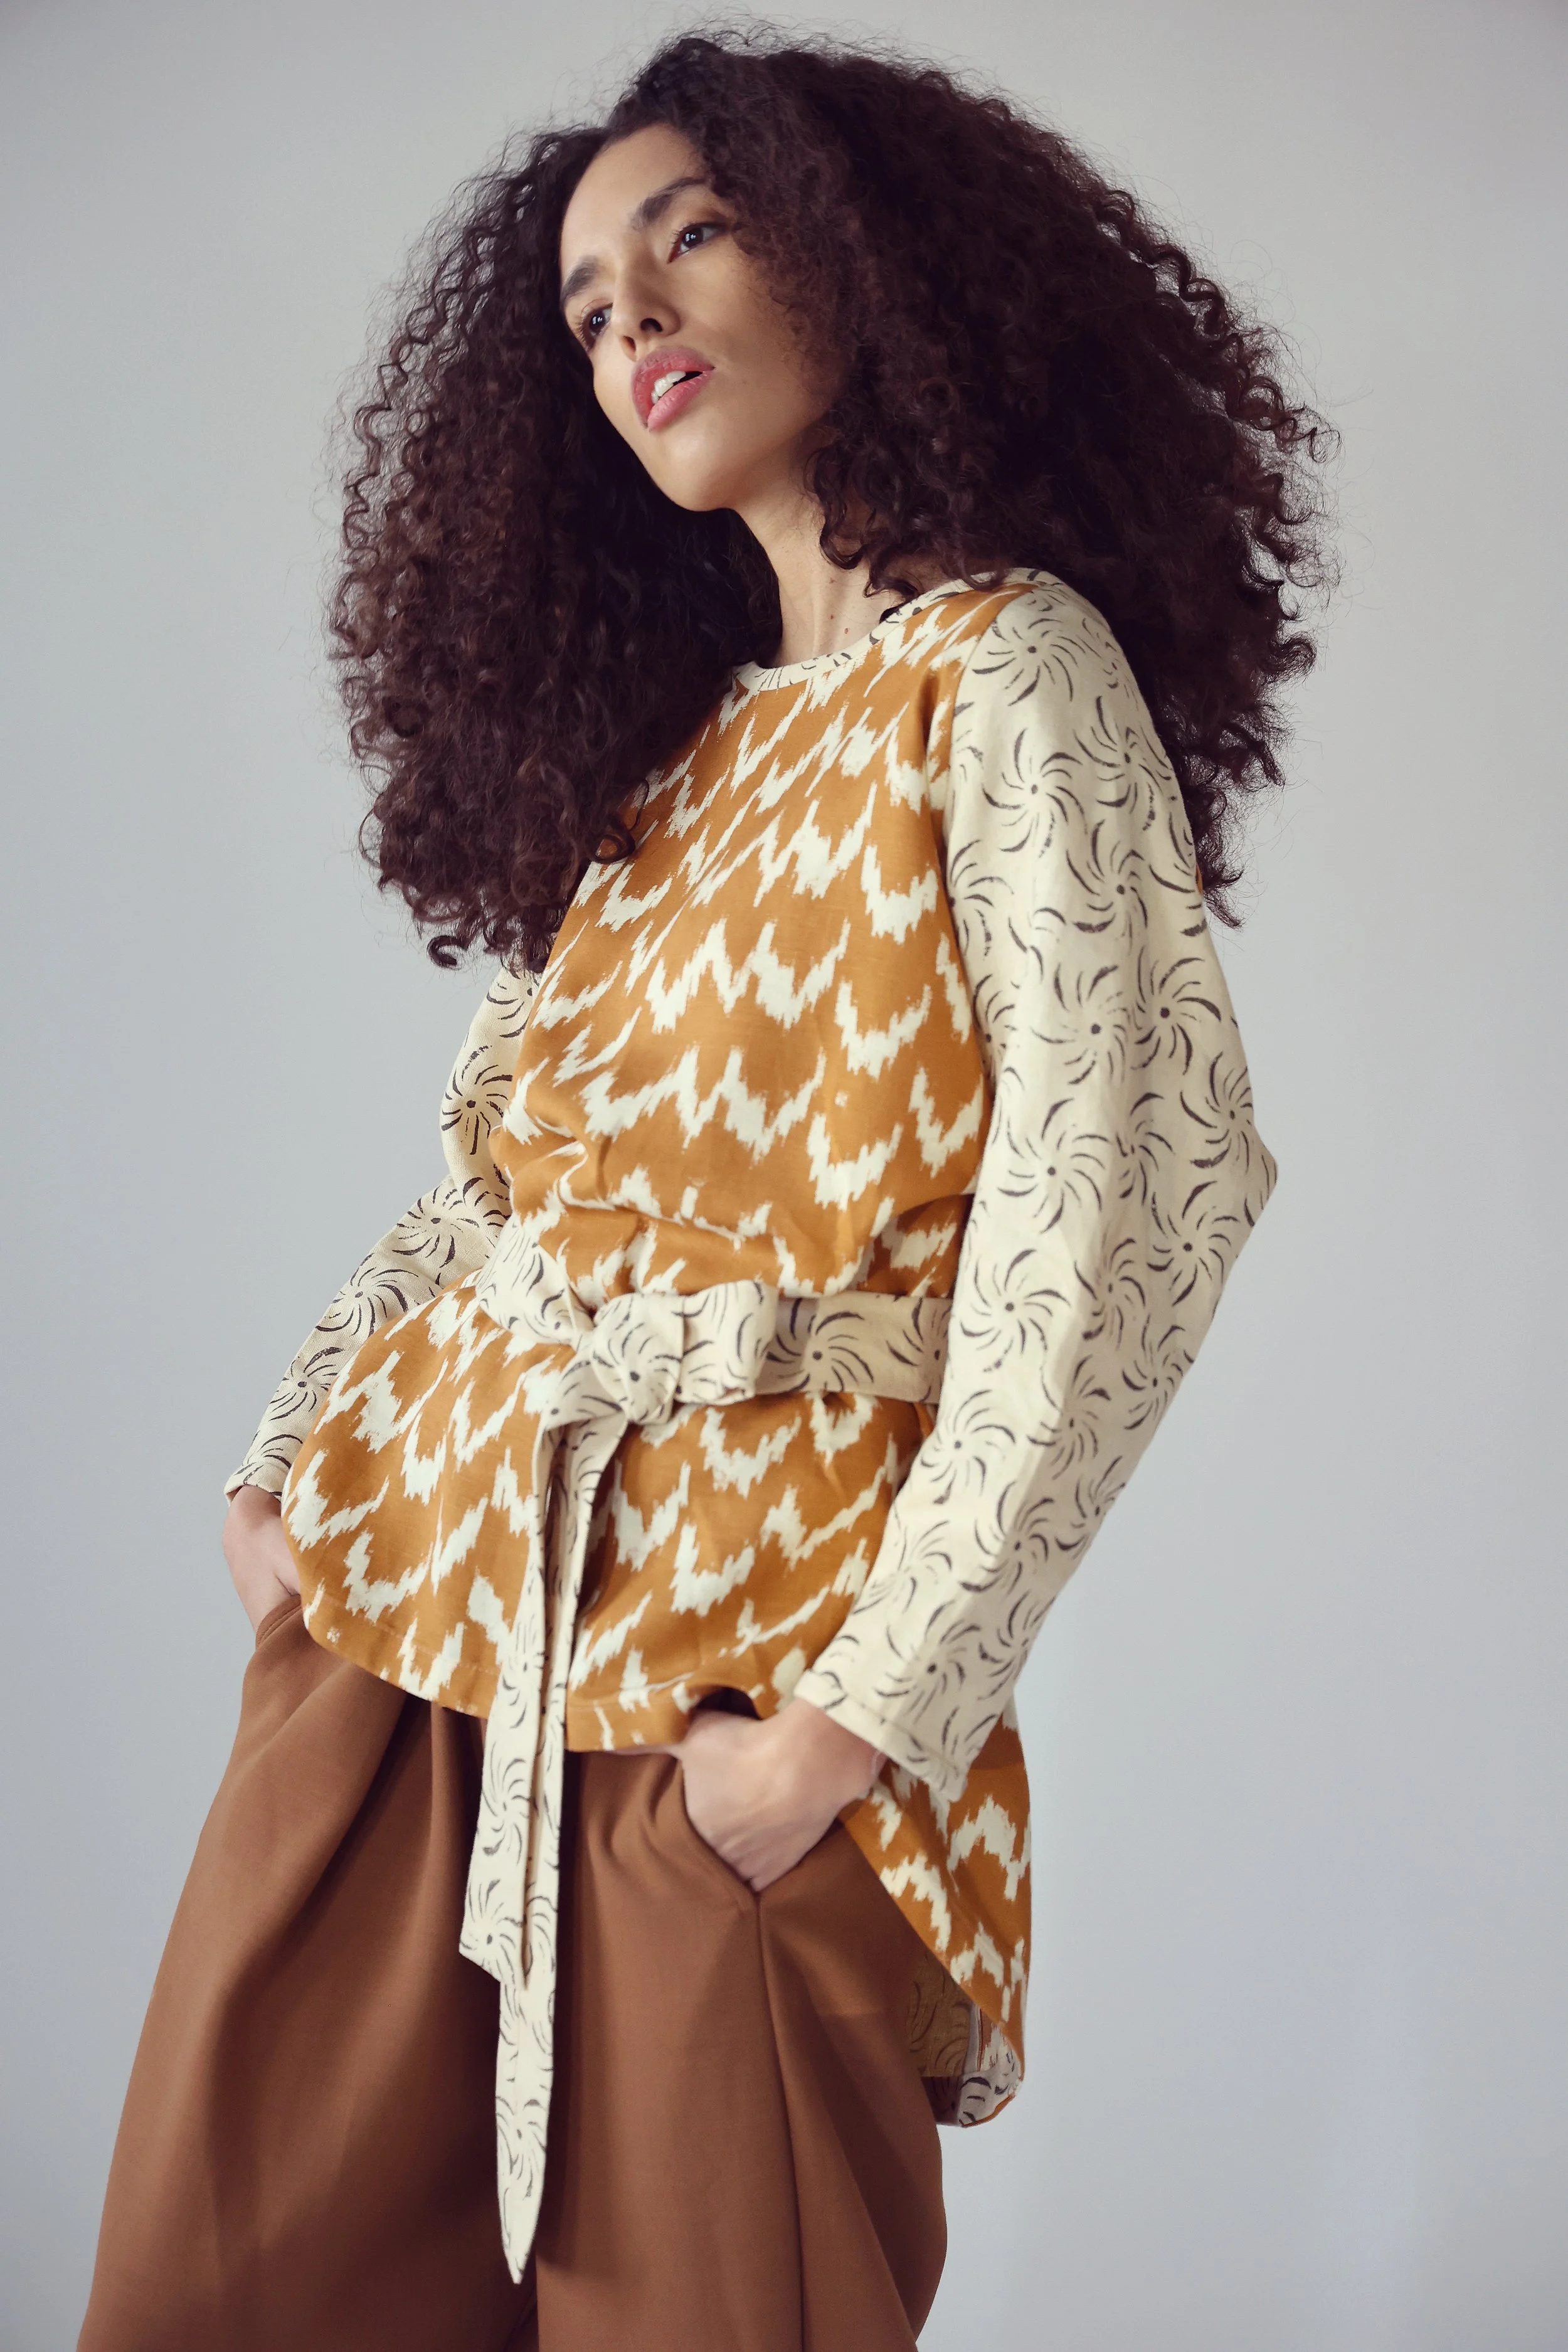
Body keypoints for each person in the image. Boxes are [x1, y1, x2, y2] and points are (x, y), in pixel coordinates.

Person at [78, 26, 1331, 2352]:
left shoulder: (1009, 674)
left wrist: (862, 1719)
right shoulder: (672, 757)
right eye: (579, 306)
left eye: (690, 235)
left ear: (857, 259)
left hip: (731, 1705)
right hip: (410, 1648)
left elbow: (1125, 1219)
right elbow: (485, 1189)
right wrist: (287, 1480)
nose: (631, 319)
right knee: (222, 2308)